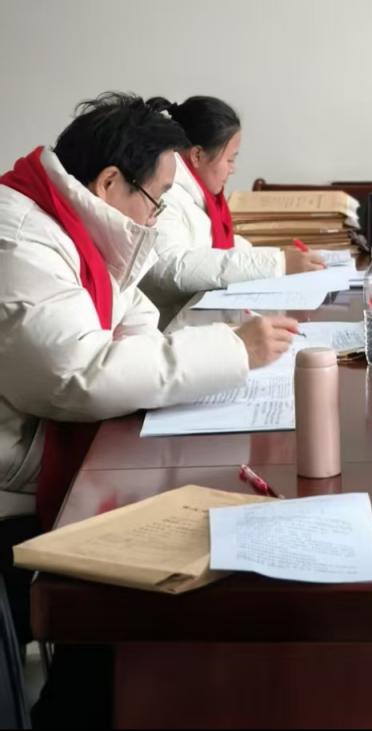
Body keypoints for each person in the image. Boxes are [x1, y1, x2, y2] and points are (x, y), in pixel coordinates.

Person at [0, 92, 299, 531]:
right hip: (17, 477)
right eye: (156, 198)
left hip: (55, 443)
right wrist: (233, 350)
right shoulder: (21, 243)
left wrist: (144, 370)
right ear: (109, 182)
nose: (156, 217)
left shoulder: (70, 217)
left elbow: (131, 308)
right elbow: (79, 376)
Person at [141, 95, 324, 319]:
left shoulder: (201, 197)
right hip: (170, 326)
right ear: (197, 155)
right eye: (230, 159)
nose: (233, 169)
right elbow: (171, 268)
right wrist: (279, 263)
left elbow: (219, 249)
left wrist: (281, 257)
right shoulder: (165, 195)